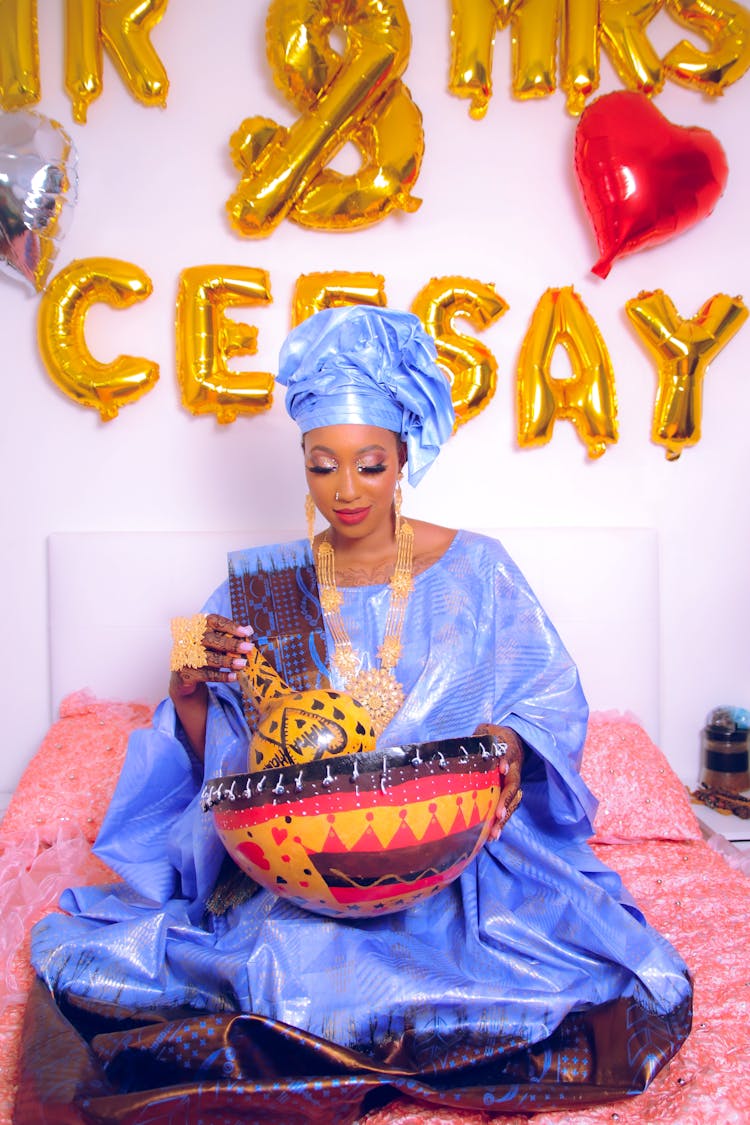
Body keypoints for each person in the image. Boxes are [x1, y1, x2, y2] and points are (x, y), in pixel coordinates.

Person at [19, 307, 692, 1124]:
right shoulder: (259, 590)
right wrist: (189, 690)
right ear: (301, 464)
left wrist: (509, 742)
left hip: (457, 850)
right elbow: (222, 776)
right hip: (310, 865)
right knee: (278, 964)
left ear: (404, 454)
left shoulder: (479, 567)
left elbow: (545, 696)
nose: (345, 491)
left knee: (541, 960)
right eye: (321, 465)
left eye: (369, 465)